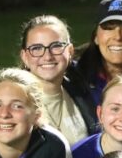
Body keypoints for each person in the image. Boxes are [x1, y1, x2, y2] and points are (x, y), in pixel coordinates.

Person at [14, 14, 97, 143]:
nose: (47, 56)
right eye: (37, 48)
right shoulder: (8, 100)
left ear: (70, 51)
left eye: (56, 46)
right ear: (25, 56)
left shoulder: (82, 91)